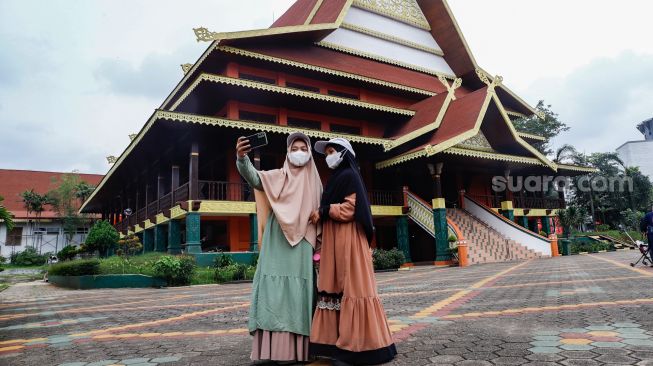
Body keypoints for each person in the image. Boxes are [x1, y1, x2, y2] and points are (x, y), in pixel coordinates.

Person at [236, 132, 322, 363]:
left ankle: (301, 351)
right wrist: (242, 157)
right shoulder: (278, 176)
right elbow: (254, 178)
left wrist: (320, 216)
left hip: (303, 242)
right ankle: (271, 351)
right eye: (295, 148)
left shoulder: (316, 182)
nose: (299, 152)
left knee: (300, 295)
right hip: (277, 239)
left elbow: (322, 212)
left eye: (304, 148)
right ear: (287, 152)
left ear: (310, 152)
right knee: (273, 294)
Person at [309, 138, 396, 365]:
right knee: (334, 286)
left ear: (344, 153)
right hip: (335, 237)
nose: (328, 156)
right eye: (326, 152)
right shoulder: (336, 178)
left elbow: (351, 208)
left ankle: (360, 347)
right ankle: (334, 343)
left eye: (332, 151)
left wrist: (325, 210)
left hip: (348, 237)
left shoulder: (350, 176)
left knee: (352, 286)